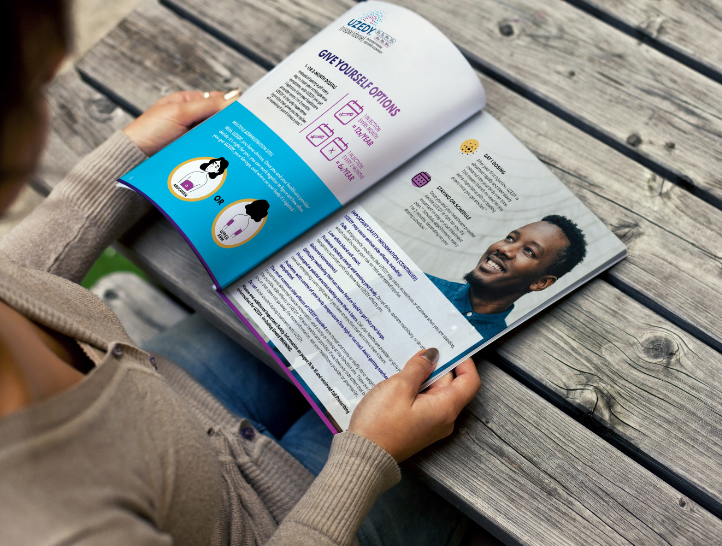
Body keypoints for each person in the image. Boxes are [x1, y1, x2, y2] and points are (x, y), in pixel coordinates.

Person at [0, 1, 481, 545]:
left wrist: (131, 155)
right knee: (482, 448)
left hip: (173, 392)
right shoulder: (60, 529)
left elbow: (15, 278)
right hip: (287, 521)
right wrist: (368, 460)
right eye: (42, 85)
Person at [427, 216, 587, 340]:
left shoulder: (496, 348)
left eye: (529, 251)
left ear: (541, 282)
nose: (504, 248)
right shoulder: (417, 286)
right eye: (510, 238)